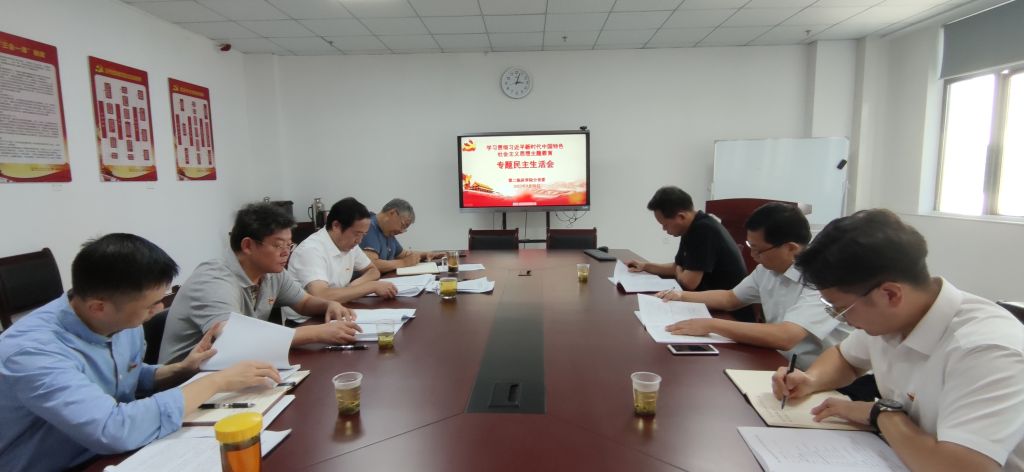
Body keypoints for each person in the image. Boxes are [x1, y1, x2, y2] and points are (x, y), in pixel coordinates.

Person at [0, 234, 282, 471]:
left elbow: (127, 377)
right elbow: (112, 429)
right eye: (150, 306)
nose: (159, 310)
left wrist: (182, 369)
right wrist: (216, 381)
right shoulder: (31, 352)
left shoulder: (115, 318)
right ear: (98, 307)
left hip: (121, 455)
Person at [772, 209, 1024, 471]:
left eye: (841, 309)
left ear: (890, 294)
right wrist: (811, 379)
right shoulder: (894, 318)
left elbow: (964, 468)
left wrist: (881, 413)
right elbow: (845, 358)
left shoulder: (987, 350)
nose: (841, 319)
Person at [656, 202, 851, 371]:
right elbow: (730, 298)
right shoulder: (767, 269)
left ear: (791, 248)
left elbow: (785, 337)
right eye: (751, 246)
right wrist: (680, 296)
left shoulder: (821, 279)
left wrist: (711, 325)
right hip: (780, 363)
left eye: (758, 250)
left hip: (820, 376)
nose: (752, 256)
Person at [159, 202, 360, 363]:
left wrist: (329, 305)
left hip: (232, 367)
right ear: (248, 245)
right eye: (278, 245)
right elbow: (233, 338)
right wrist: (315, 333)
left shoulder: (272, 272)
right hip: (188, 384)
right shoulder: (213, 279)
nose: (286, 253)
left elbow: (304, 302)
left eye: (289, 245)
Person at [627, 186, 754, 321]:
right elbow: (677, 267)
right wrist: (645, 266)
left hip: (729, 314)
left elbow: (689, 282)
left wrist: (679, 270)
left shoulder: (704, 229)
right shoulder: (691, 227)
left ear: (681, 217)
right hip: (709, 303)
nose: (664, 229)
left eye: (665, 224)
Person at [284, 197, 397, 323]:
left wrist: (352, 287)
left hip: (338, 311)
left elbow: (373, 271)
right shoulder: (311, 250)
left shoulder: (349, 244)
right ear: (336, 226)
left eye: (363, 235)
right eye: (357, 234)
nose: (359, 241)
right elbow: (321, 296)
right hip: (307, 322)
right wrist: (370, 287)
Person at [361, 198, 439, 274]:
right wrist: (404, 263)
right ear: (392, 213)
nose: (401, 231)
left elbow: (404, 254)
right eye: (403, 225)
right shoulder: (368, 227)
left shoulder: (388, 232)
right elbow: (371, 265)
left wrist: (425, 254)